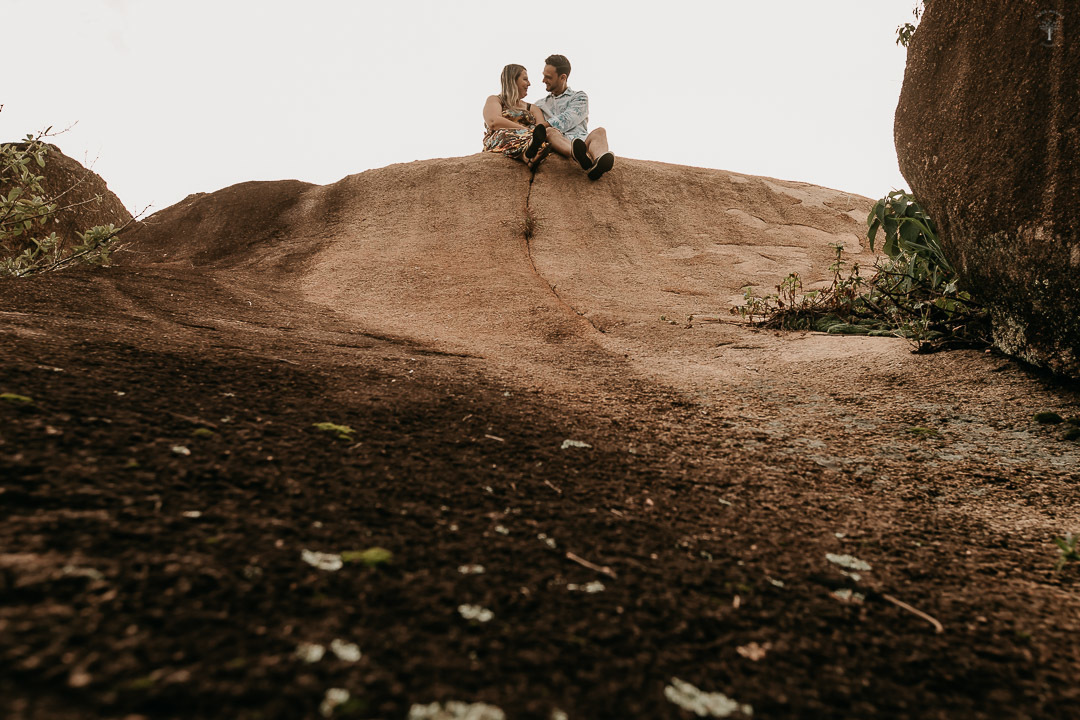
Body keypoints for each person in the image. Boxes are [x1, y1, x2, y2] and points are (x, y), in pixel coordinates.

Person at [533, 54, 615, 181]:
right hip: (560, 142)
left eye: (548, 77)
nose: (543, 80)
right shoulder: (539, 104)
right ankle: (577, 154)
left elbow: (568, 118)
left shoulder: (579, 97)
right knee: (549, 132)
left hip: (583, 142)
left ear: (563, 77)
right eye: (544, 75)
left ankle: (599, 162)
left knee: (600, 131)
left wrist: (543, 125)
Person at [482, 64, 550, 170]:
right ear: (513, 80)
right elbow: (494, 122)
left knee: (541, 138)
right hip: (504, 138)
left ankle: (530, 155)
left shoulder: (532, 108)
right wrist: (526, 130)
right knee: (503, 134)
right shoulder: (495, 100)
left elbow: (540, 130)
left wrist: (534, 134)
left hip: (530, 138)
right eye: (525, 79)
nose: (529, 84)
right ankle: (528, 154)